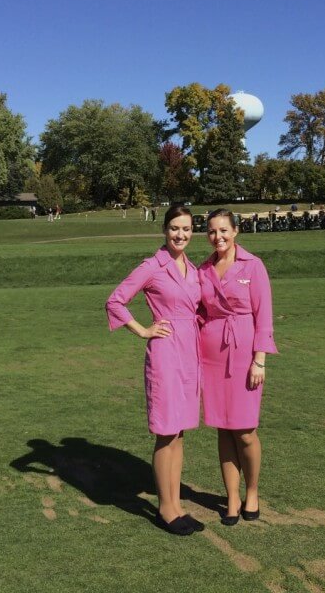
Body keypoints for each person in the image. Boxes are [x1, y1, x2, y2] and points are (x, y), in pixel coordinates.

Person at [105, 204, 204, 537]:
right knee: (166, 431)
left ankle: (176, 504)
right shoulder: (152, 266)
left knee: (180, 432)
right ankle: (165, 509)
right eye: (175, 228)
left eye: (187, 229)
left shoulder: (192, 268)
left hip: (191, 352)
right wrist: (143, 330)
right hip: (165, 352)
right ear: (164, 229)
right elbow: (115, 300)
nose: (181, 234)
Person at [198, 209, 278, 526]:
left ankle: (252, 491)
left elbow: (264, 316)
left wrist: (260, 359)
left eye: (223, 231)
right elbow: (197, 312)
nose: (218, 237)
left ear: (236, 231)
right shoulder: (203, 269)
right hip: (212, 355)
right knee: (223, 428)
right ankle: (231, 495)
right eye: (212, 232)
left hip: (245, 354)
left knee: (245, 431)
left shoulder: (252, 266)